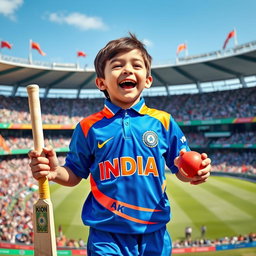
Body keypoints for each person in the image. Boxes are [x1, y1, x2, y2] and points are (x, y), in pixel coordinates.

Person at [28, 33, 211, 256]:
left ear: (148, 79)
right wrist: (55, 171)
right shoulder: (88, 127)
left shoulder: (163, 121)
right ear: (101, 82)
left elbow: (181, 169)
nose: (127, 70)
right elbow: (74, 174)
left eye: (136, 65)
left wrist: (193, 172)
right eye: (117, 65)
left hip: (154, 232)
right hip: (106, 235)